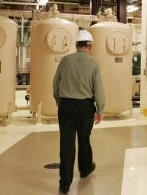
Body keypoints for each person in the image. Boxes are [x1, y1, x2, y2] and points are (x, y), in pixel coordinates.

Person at [53, 29, 105, 195]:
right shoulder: (94, 63)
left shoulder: (64, 61)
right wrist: (100, 109)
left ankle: (65, 184)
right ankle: (85, 168)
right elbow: (99, 89)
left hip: (66, 106)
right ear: (89, 45)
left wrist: (59, 102)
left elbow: (55, 84)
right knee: (84, 139)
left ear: (77, 45)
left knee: (66, 144)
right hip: (85, 107)